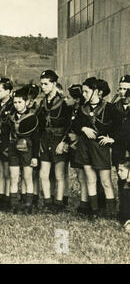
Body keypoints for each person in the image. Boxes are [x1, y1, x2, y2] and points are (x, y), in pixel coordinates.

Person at [74, 77, 120, 218]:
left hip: (100, 148)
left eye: (87, 92)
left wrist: (112, 139)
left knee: (106, 181)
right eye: (83, 92)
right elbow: (74, 125)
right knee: (90, 179)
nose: (84, 95)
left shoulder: (110, 108)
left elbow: (119, 127)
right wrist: (83, 128)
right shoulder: (83, 108)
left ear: (97, 92)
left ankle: (111, 212)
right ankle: (94, 211)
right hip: (85, 147)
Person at [37, 70, 72, 212]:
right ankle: (47, 202)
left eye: (46, 84)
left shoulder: (64, 103)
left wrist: (64, 142)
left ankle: (58, 203)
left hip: (59, 140)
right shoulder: (42, 103)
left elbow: (70, 125)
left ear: (54, 84)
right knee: (43, 173)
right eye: (41, 84)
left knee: (59, 174)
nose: (43, 87)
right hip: (45, 139)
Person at [7, 86, 40, 214]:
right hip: (13, 148)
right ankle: (14, 204)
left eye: (20, 102)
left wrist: (35, 156)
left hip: (28, 149)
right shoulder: (11, 117)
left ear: (26, 102)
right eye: (15, 102)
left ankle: (28, 204)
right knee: (14, 176)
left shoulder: (32, 118)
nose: (17, 105)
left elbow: (36, 139)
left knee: (27, 177)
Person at [64, 84, 90, 216]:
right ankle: (84, 202)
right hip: (74, 146)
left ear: (77, 99)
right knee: (80, 175)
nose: (65, 99)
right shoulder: (71, 111)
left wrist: (77, 138)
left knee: (83, 176)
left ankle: (85, 204)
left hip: (81, 147)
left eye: (68, 97)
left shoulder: (83, 111)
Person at [0, 77, 14, 211]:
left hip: (8, 141)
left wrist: (3, 130)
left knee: (7, 172)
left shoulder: (13, 105)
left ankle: (8, 198)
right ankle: (0, 198)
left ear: (8, 92)